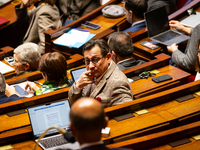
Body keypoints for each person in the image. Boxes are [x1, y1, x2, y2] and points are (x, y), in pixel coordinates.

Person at [68, 39, 133, 108]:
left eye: (95, 59)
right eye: (87, 60)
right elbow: (73, 105)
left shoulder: (118, 83)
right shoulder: (88, 75)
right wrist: (77, 86)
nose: (91, 66)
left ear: (108, 58)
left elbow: (125, 113)